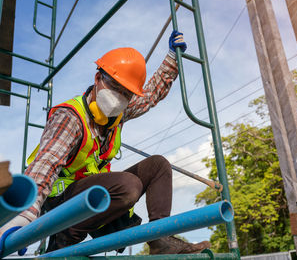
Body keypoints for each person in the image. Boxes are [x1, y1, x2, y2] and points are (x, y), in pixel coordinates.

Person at [0, 31, 211, 255]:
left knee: (158, 165)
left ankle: (162, 241)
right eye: (115, 87)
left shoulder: (119, 111)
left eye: (126, 94)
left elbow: (150, 95)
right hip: (58, 202)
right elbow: (46, 164)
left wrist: (171, 58)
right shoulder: (70, 117)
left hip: (93, 196)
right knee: (128, 185)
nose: (118, 97)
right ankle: (66, 236)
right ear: (98, 78)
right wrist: (25, 215)